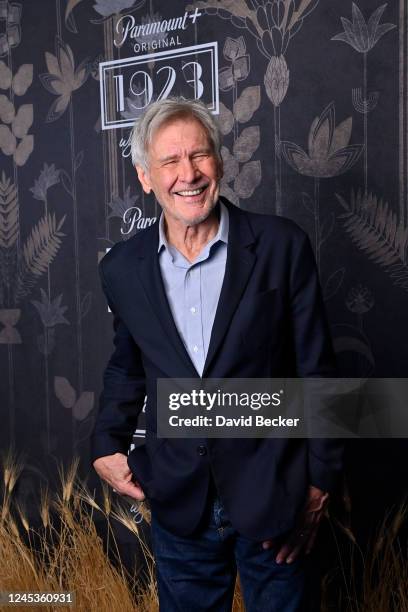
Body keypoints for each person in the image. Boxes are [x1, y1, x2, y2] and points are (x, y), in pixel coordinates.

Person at [92, 97, 343, 611]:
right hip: (180, 500)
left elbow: (319, 370)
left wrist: (320, 482)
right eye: (170, 161)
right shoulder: (121, 267)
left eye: (200, 156)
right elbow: (127, 363)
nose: (189, 173)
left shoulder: (280, 245)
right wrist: (105, 443)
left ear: (220, 163)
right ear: (146, 177)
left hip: (276, 497)